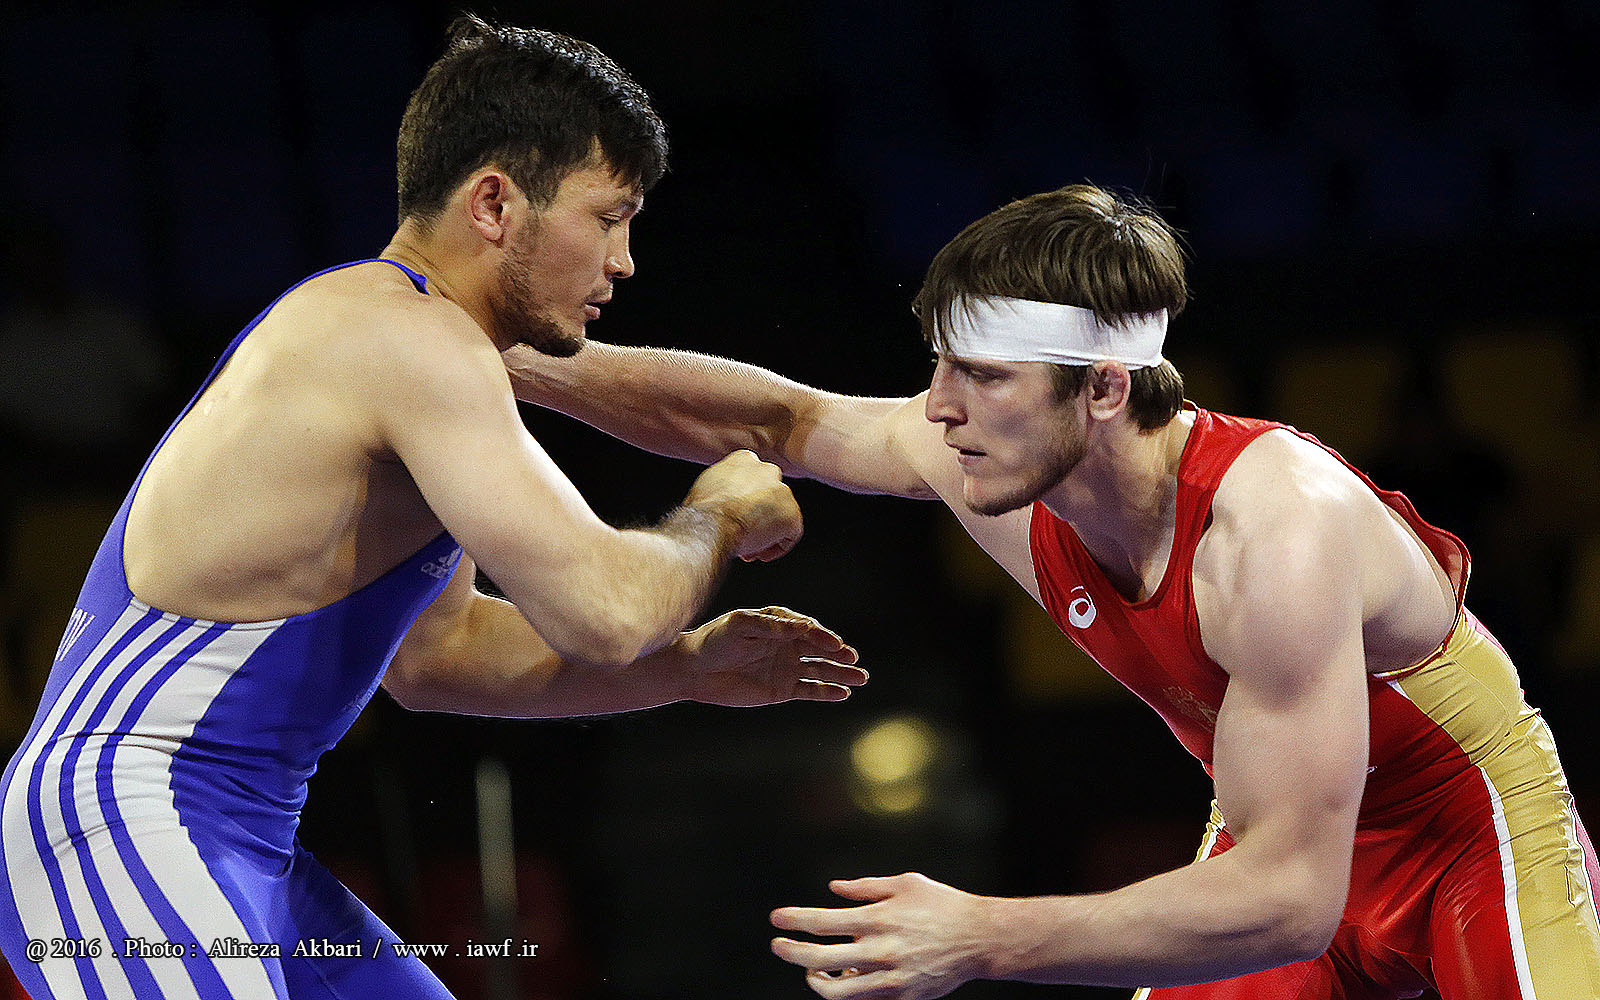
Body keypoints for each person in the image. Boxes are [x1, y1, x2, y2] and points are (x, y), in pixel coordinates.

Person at [503, 183, 1600, 998]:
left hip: (1466, 841)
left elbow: (1288, 902)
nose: (938, 409)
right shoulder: (992, 462)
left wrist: (982, 933)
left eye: (982, 375)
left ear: (1106, 388)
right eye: (942, 365)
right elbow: (777, 419)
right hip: (1281, 828)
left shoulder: (1278, 530)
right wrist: (498, 364)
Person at [0, 15, 866, 1000]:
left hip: (234, 834)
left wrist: (687, 667)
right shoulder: (409, 340)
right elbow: (605, 609)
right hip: (123, 816)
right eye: (608, 216)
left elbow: (437, 656)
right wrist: (719, 513)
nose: (624, 260)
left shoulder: (409, 346)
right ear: (494, 202)